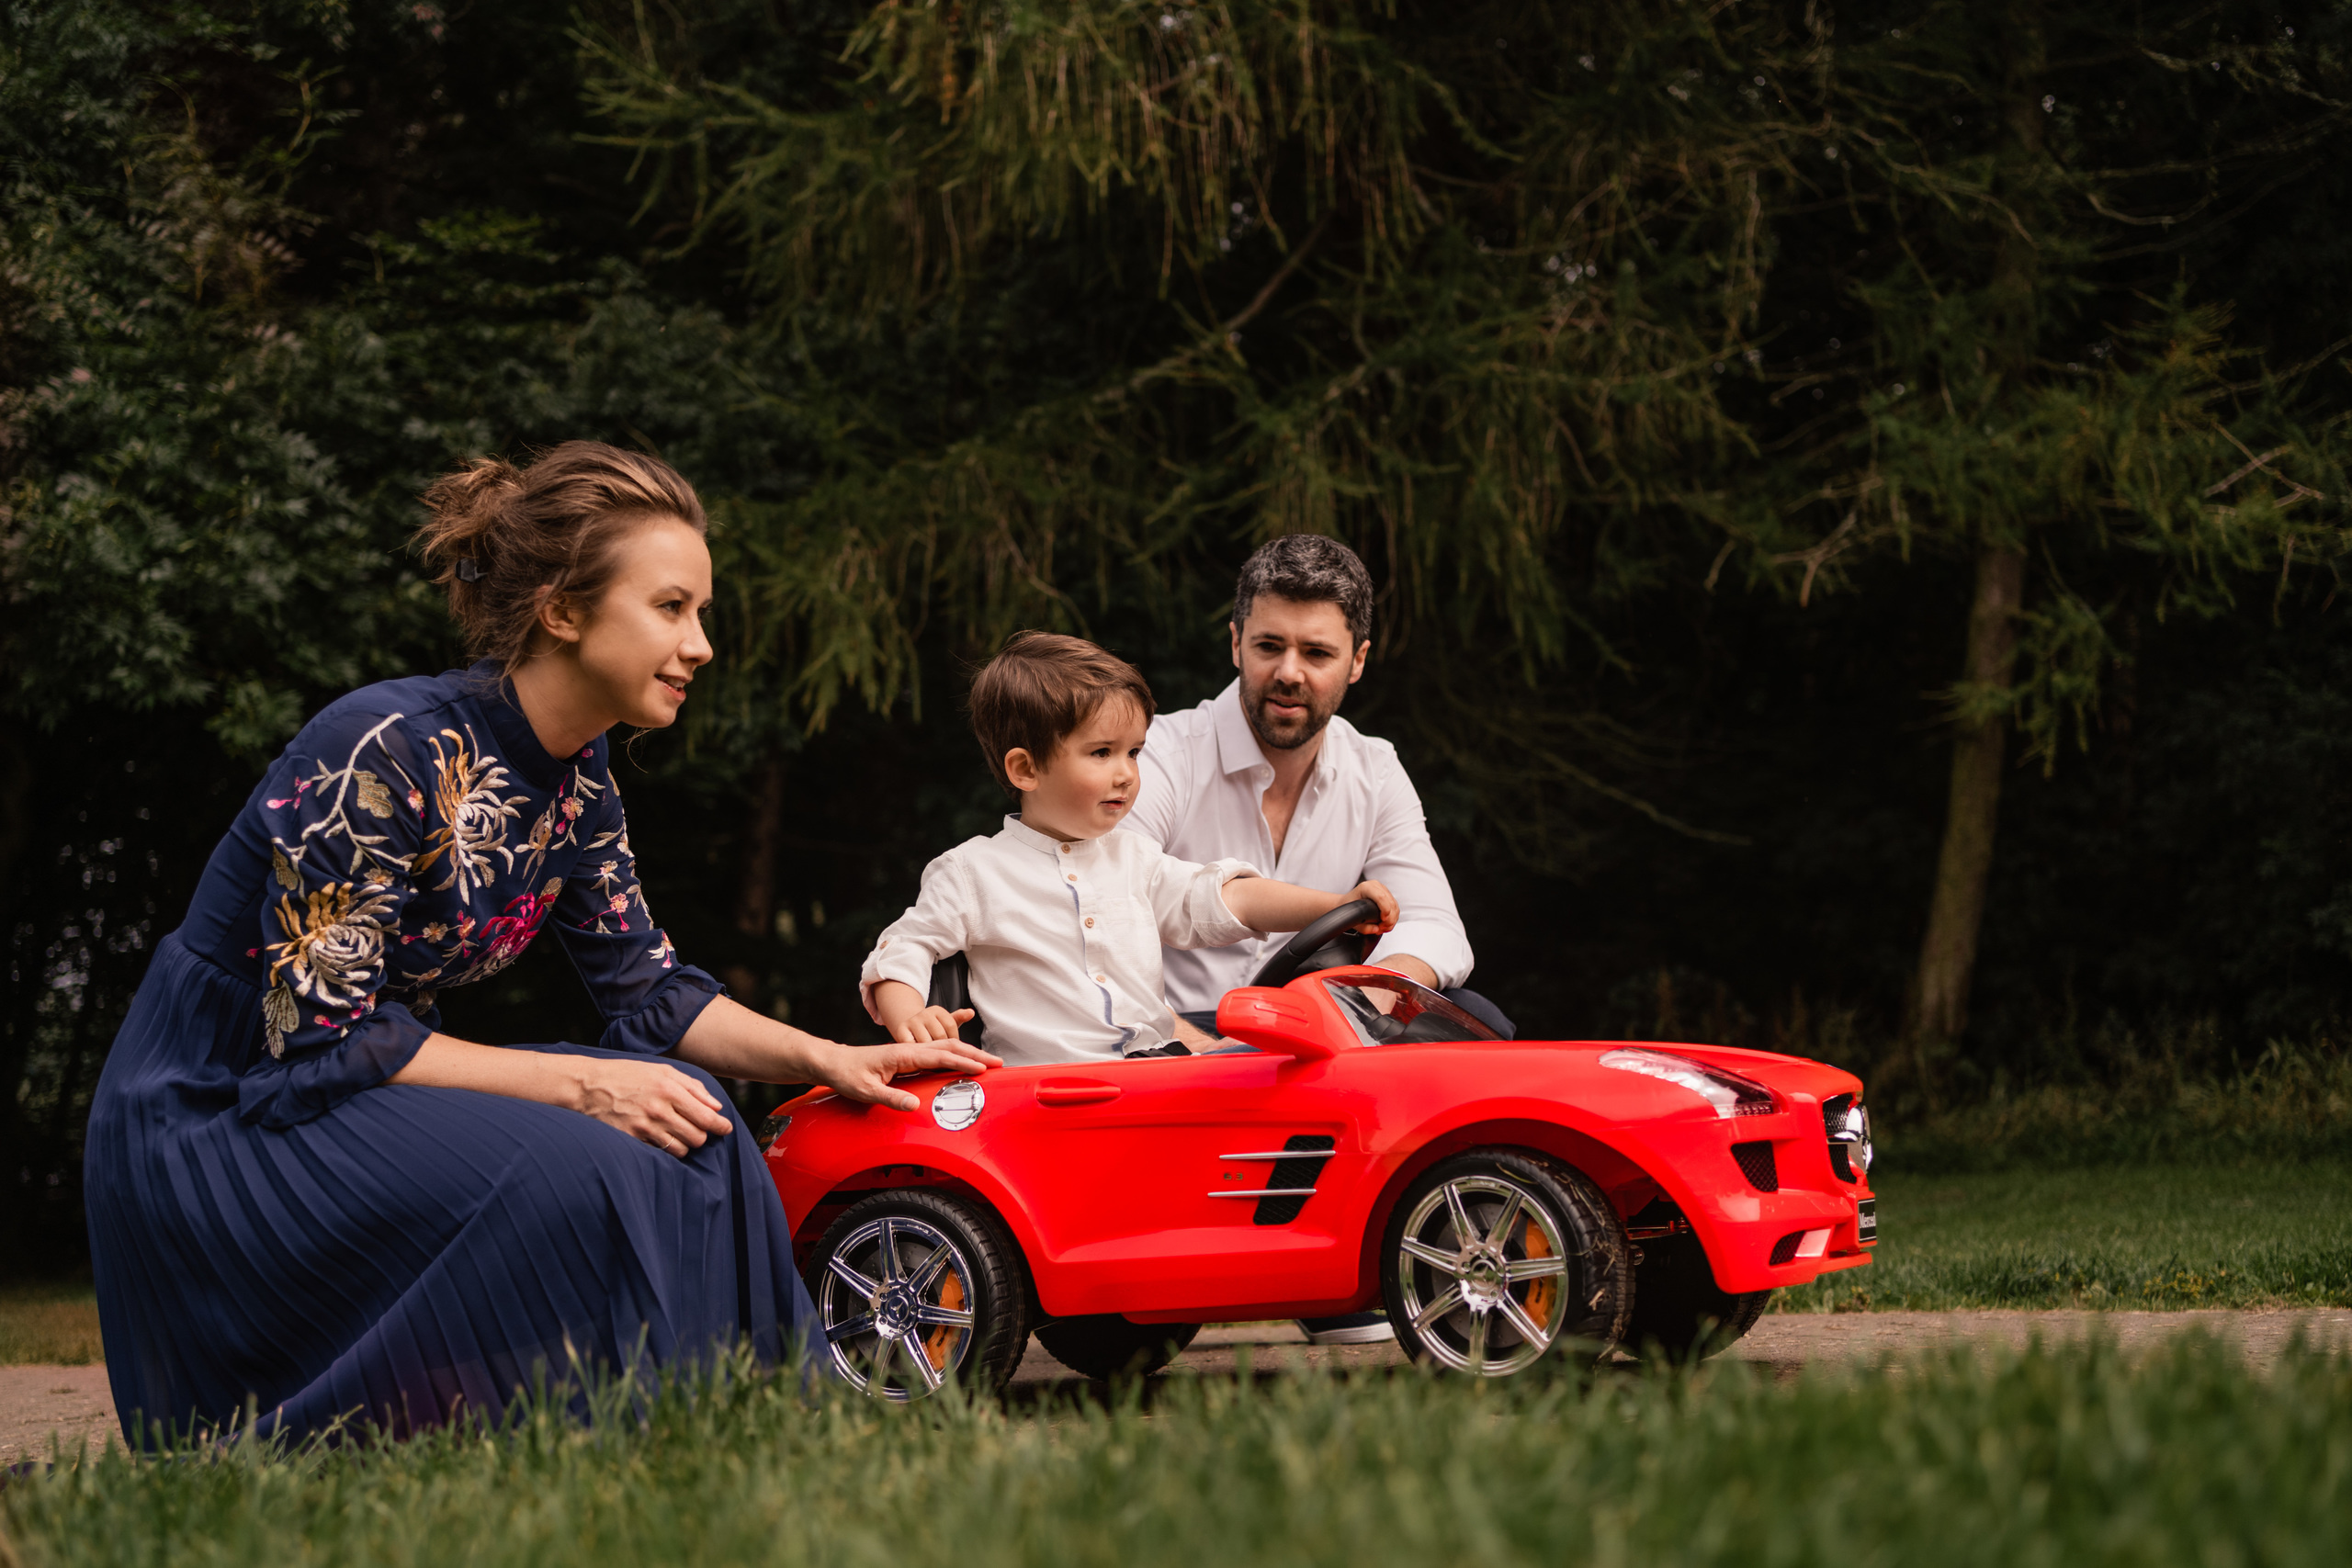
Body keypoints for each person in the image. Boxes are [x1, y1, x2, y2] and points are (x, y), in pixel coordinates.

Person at [82, 442, 998, 1445]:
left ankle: (747, 1432)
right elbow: (317, 1038)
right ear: (562, 611)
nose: (700, 645)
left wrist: (829, 1057)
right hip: (225, 1105)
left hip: (359, 1075)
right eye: (671, 607)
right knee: (595, 1158)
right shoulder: (379, 748)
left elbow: (650, 992)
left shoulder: (579, 779)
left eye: (701, 613)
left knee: (702, 1130)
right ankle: (580, 1429)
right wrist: (586, 1084)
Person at [1119, 534, 1509, 1346]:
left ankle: (1369, 1259)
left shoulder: (1375, 769)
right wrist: (1178, 1034)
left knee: (1471, 1021)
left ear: (1357, 660)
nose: (1289, 672)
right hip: (1166, 1041)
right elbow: (1102, 909)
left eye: (1317, 652)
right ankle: (1183, 1267)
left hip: (1310, 1039)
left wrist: (1361, 1005)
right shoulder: (1159, 755)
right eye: (1269, 646)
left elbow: (1435, 921)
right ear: (1235, 642)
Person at [860, 632, 1397, 1066]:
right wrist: (910, 1016)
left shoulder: (1134, 859)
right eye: (1102, 753)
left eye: (1134, 752)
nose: (1126, 773)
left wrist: (1333, 905)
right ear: (1026, 769)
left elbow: (1224, 898)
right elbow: (902, 949)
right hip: (1051, 1097)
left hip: (1154, 1077)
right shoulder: (973, 872)